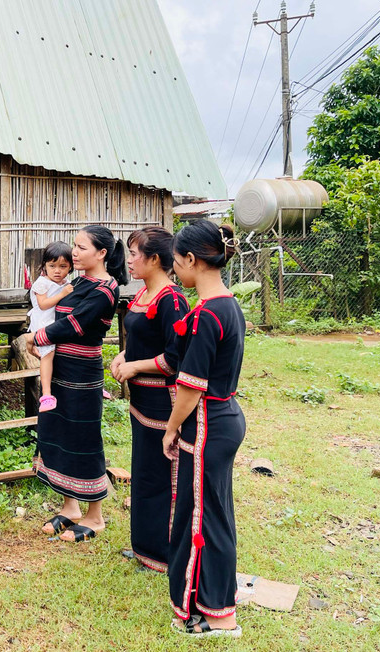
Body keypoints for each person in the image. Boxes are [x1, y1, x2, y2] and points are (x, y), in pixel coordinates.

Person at [162, 219, 245, 638]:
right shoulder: (228, 305)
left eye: (177, 263)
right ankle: (213, 601)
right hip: (225, 415)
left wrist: (170, 429)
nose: (176, 271)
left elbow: (191, 387)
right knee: (214, 511)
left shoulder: (209, 315)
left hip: (208, 421)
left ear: (192, 260)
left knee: (203, 519)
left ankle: (217, 616)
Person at [29, 226, 127, 542]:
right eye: (74, 245)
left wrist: (39, 338)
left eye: (81, 247)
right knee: (57, 432)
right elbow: (50, 313)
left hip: (82, 374)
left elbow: (74, 324)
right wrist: (40, 337)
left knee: (84, 438)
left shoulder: (106, 289)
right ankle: (70, 506)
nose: (74, 252)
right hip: (58, 368)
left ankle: (95, 516)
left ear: (101, 253)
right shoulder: (77, 282)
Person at [110, 226, 190, 572]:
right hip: (141, 402)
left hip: (163, 402)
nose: (128, 260)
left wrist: (134, 367)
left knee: (162, 477)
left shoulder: (172, 300)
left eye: (134, 254)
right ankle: (143, 547)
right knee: (143, 472)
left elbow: (174, 359)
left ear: (155, 259)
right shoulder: (143, 294)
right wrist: (124, 355)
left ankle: (164, 554)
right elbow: (144, 338)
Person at [27, 242, 74, 412]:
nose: (57, 271)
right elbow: (44, 304)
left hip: (57, 323)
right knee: (48, 355)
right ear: (45, 265)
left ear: (70, 267)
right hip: (43, 323)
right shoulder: (42, 283)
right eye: (52, 266)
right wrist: (63, 293)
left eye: (63, 266)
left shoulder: (66, 283)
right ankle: (46, 395)